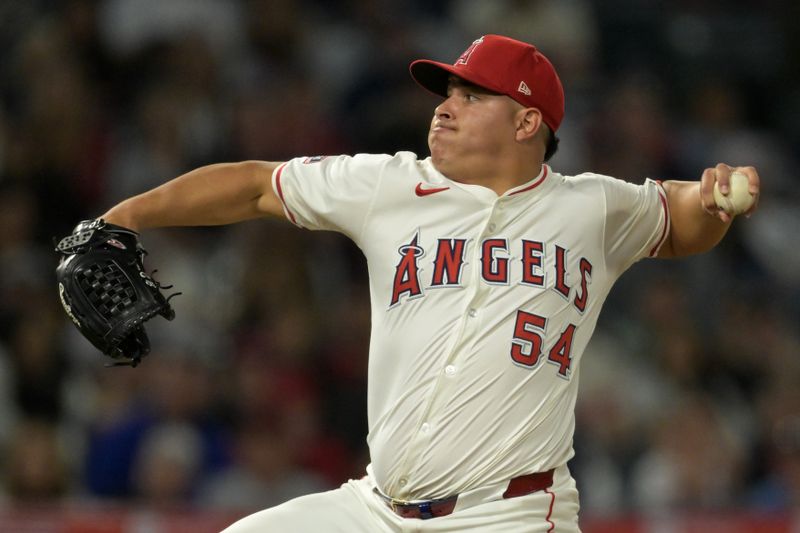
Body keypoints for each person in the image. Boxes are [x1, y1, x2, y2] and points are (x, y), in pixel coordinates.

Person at [99, 34, 760, 532]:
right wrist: (119, 218)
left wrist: (715, 204)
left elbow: (679, 219)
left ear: (528, 122)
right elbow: (251, 184)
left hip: (509, 514)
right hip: (374, 507)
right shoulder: (390, 184)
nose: (446, 109)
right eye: (447, 94)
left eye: (472, 97)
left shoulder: (591, 207)